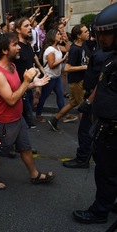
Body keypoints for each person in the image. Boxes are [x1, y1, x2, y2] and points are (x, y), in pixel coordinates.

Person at [0, 33, 55, 190]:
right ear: (4, 50)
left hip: (18, 118)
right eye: (15, 45)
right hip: (4, 122)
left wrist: (32, 84)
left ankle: (35, 175)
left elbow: (17, 90)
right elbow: (11, 99)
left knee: (25, 147)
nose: (19, 48)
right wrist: (26, 81)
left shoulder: (13, 66)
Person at [73, 3, 117, 224]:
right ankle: (110, 202)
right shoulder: (112, 58)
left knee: (106, 173)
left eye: (106, 33)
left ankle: (100, 212)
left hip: (113, 130)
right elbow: (102, 83)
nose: (102, 39)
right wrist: (89, 103)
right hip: (105, 126)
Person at [48, 24, 90, 131]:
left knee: (73, 103)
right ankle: (84, 131)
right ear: (79, 35)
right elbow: (67, 68)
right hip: (77, 82)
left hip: (81, 80)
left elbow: (85, 58)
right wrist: (84, 67)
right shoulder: (74, 49)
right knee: (83, 107)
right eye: (85, 32)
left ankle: (54, 120)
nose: (88, 32)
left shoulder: (84, 45)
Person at [35, 29, 68, 122]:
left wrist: (66, 40)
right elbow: (51, 65)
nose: (60, 35)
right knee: (44, 96)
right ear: (53, 36)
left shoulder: (58, 47)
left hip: (57, 77)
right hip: (49, 77)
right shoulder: (50, 49)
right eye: (58, 34)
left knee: (60, 95)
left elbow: (67, 49)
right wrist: (63, 59)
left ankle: (63, 115)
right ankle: (38, 114)